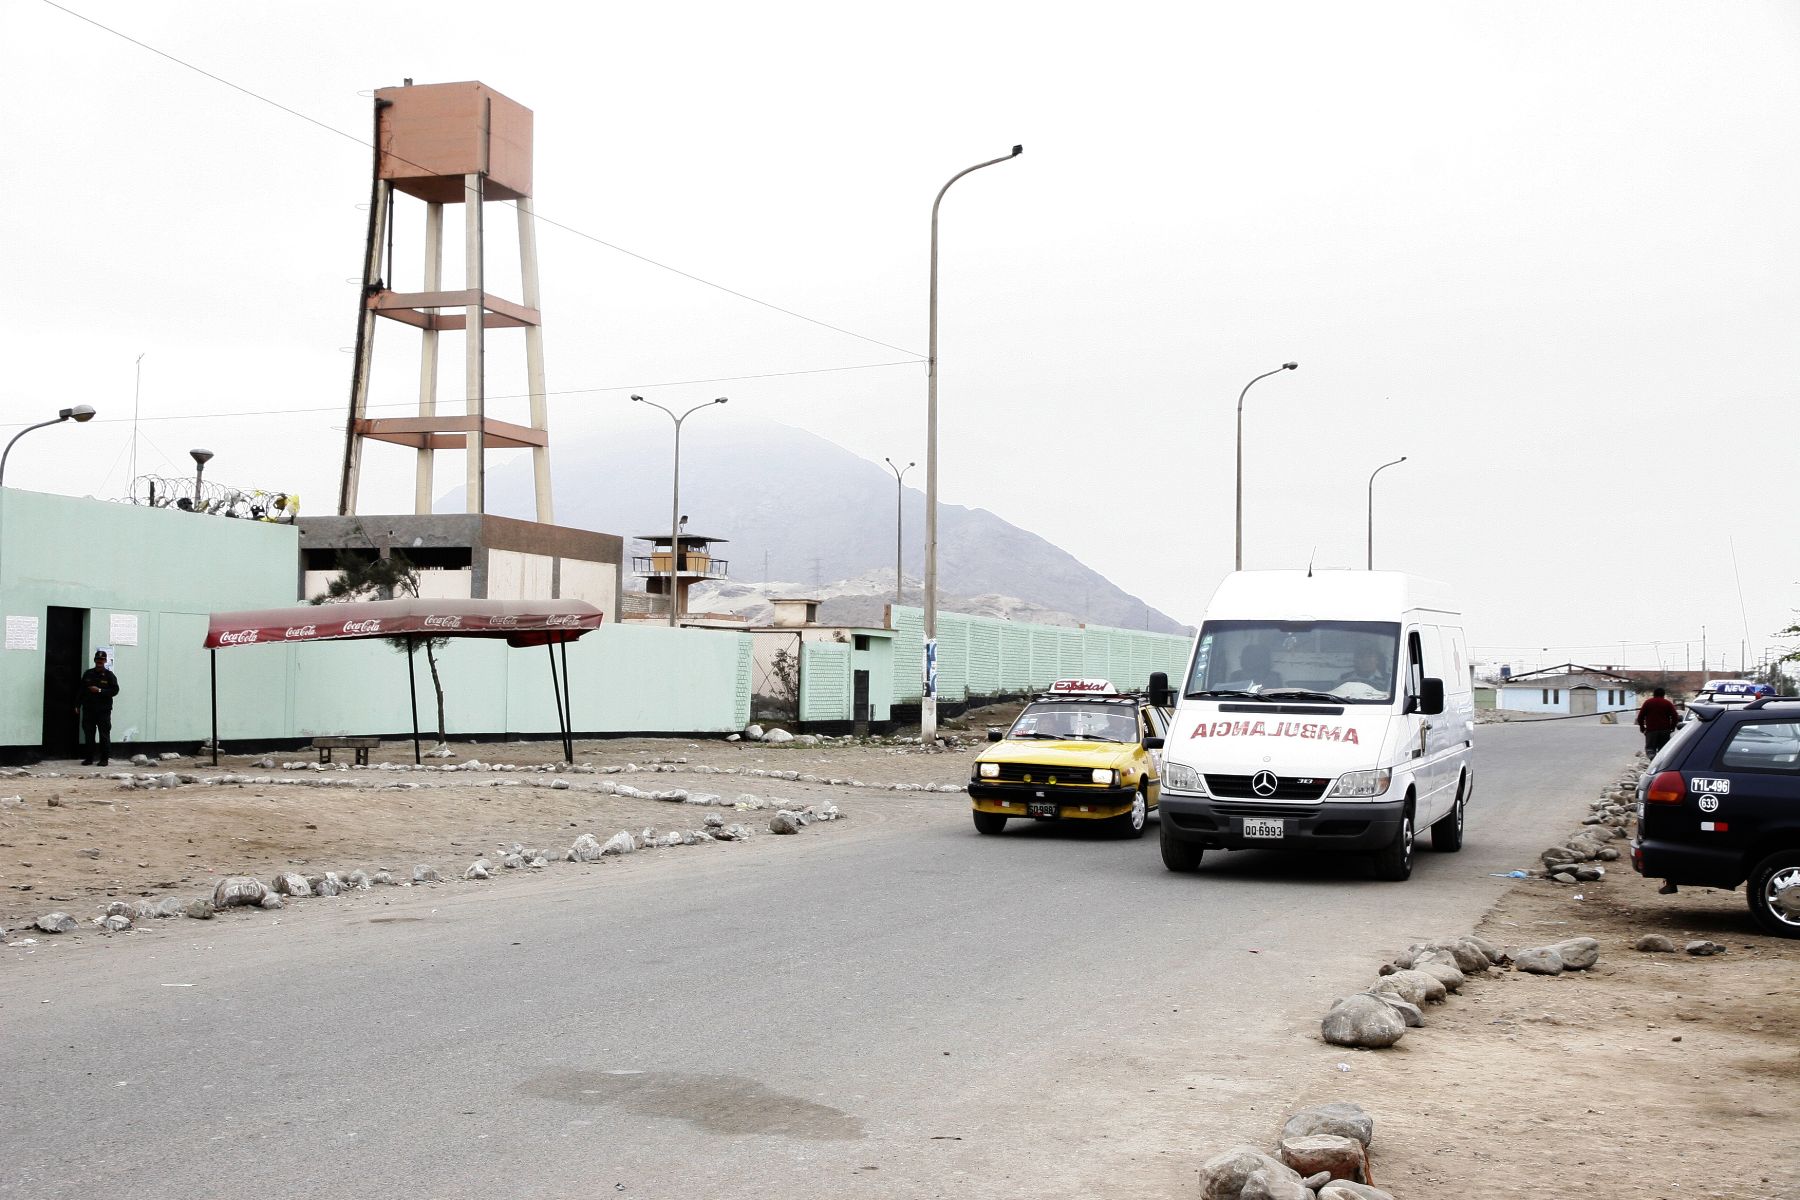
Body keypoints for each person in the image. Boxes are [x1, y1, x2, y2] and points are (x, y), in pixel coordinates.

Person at [77, 650, 119, 766]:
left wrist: (100, 690)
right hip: (89, 710)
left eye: (101, 660)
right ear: (94, 660)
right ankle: (89, 758)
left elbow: (115, 690)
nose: (99, 662)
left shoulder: (109, 675)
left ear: (105, 661)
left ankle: (104, 759)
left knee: (104, 735)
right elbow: (81, 690)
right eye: (97, 660)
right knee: (89, 735)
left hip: (103, 711)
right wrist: (77, 705)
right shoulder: (88, 674)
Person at [1635, 687, 1680, 756]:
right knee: (1663, 751)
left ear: (1654, 694)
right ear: (1663, 695)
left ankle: (1652, 761)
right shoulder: (1667, 703)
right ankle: (1661, 764)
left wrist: (1642, 728)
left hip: (1651, 731)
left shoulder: (1648, 703)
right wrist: (1672, 727)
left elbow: (1640, 717)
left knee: (1650, 749)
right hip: (1665, 731)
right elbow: (1675, 716)